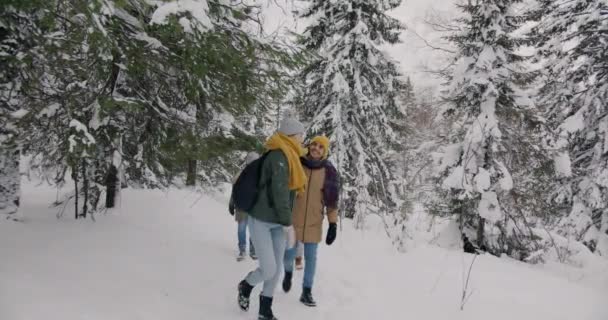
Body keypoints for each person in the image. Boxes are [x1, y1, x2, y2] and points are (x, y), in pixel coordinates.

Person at [237, 118, 308, 320]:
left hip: (278, 222)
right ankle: (246, 285)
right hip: (261, 219)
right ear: (291, 135)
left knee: (275, 270)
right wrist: (288, 224)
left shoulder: (291, 155)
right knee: (268, 268)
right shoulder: (279, 156)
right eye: (300, 135)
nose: (303, 139)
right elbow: (279, 193)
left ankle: (265, 310)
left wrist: (285, 222)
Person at [282, 135, 340, 307]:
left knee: (311, 258)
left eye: (321, 147)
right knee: (290, 254)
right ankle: (288, 273)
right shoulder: (298, 163)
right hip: (293, 220)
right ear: (309, 146)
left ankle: (306, 291)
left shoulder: (329, 171)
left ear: (325, 151)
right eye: (314, 145)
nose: (316, 148)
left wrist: (333, 224)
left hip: (314, 222)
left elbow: (332, 201)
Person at [229, 152, 260, 261]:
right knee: (242, 229)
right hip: (241, 207)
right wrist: (231, 203)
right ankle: (243, 249)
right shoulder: (241, 173)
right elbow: (234, 189)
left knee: (252, 230)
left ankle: (252, 249)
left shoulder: (260, 174)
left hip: (254, 208)